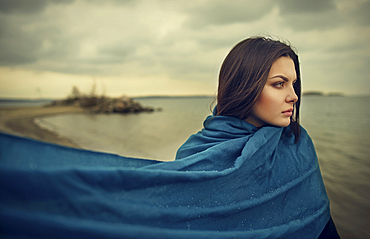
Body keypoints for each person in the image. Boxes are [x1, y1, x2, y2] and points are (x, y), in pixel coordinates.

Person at [0, 36, 340, 239]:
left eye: (294, 84)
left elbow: (320, 224)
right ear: (244, 86)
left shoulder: (298, 147)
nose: (293, 95)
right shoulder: (200, 151)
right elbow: (174, 216)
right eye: (279, 84)